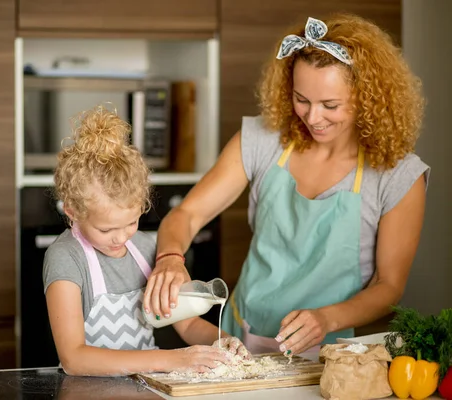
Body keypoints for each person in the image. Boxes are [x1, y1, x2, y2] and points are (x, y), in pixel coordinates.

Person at [143, 14, 430, 357]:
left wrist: (325, 318)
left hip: (326, 354)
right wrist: (170, 258)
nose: (312, 117)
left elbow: (389, 286)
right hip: (238, 338)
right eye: (301, 99)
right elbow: (187, 214)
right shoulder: (263, 140)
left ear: (368, 97)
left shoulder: (396, 175)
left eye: (330, 105)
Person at [42, 104, 249, 377]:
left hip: (146, 386)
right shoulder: (66, 257)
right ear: (72, 212)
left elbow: (187, 325)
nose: (121, 237)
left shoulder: (146, 248)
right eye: (106, 230)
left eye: (131, 222)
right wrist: (170, 360)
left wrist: (221, 340)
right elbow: (74, 358)